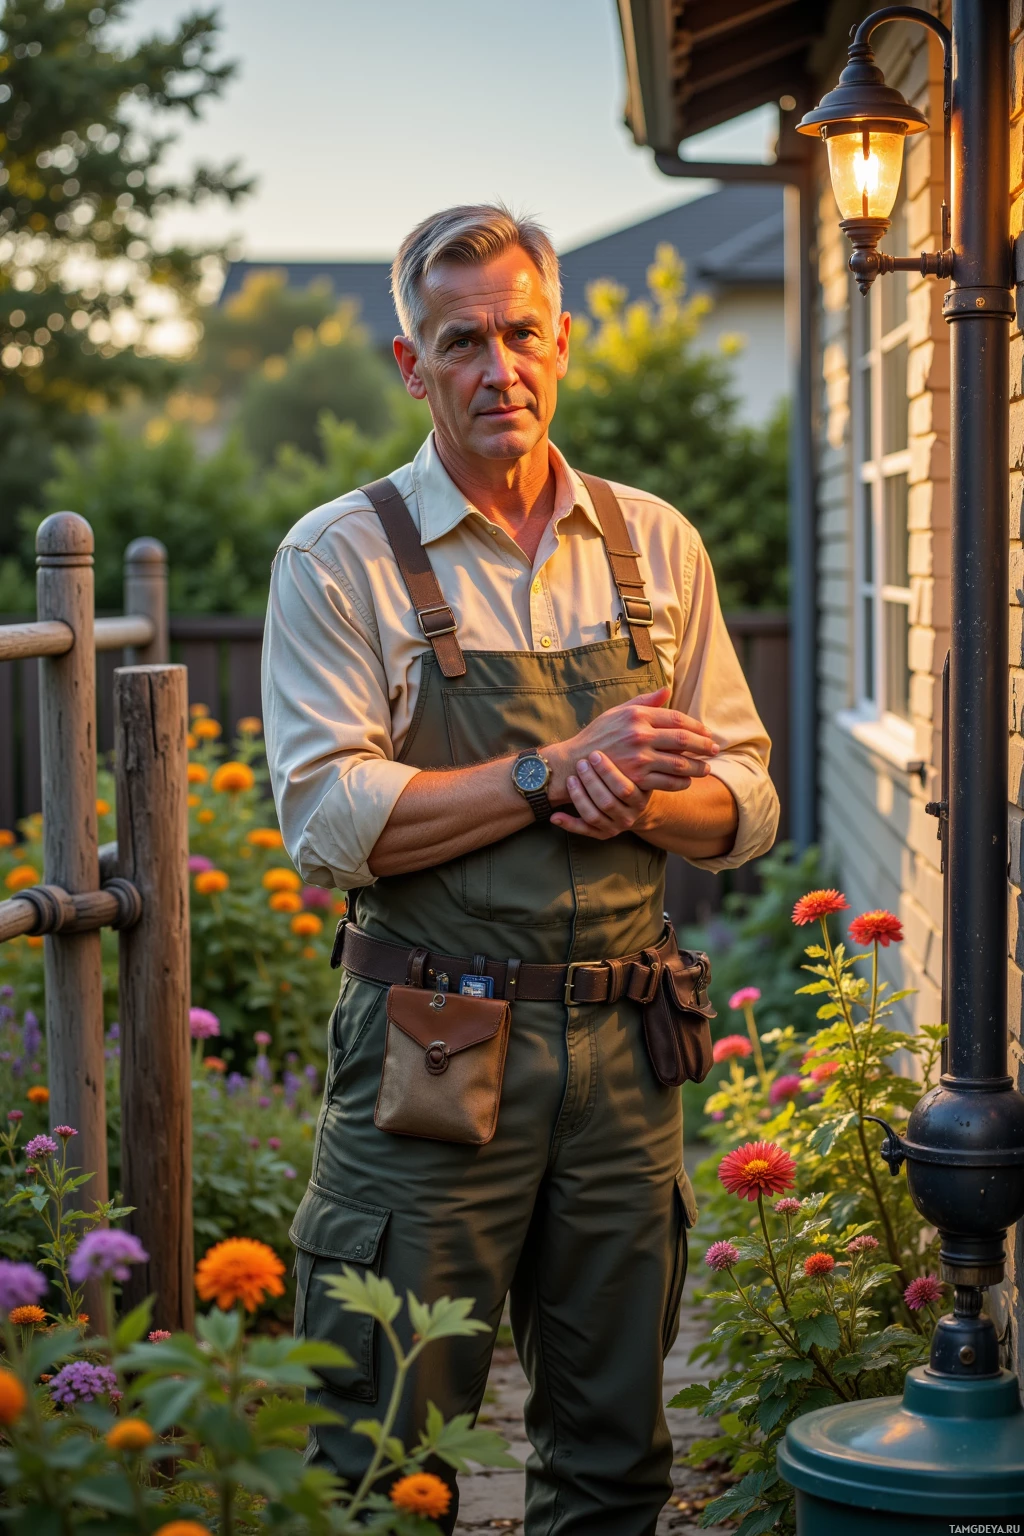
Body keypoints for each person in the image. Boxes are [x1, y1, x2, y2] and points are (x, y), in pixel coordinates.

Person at [262, 203, 779, 1536]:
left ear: (565, 340)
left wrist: (648, 799)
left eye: (523, 333)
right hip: (432, 1049)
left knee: (615, 1456)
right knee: (383, 1456)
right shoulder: (342, 554)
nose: (502, 369)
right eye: (464, 340)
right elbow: (331, 824)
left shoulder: (653, 545)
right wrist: (552, 771)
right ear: (409, 362)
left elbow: (750, 797)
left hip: (623, 1056)